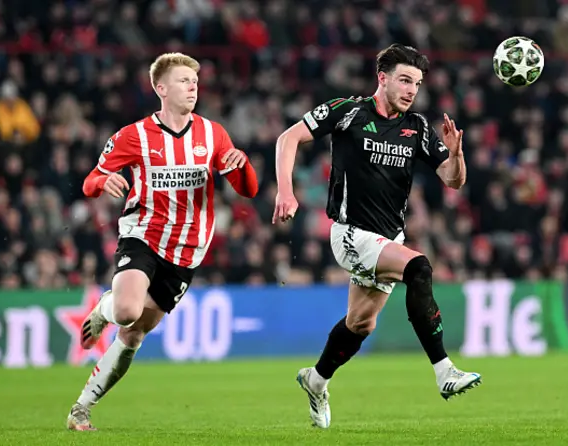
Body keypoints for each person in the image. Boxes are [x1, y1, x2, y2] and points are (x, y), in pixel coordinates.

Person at [273, 44, 481, 429]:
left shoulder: (416, 127)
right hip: (351, 233)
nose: (411, 90)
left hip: (388, 238)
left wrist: (456, 155)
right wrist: (286, 190)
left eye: (416, 83)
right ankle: (444, 370)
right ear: (381, 78)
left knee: (360, 324)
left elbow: (452, 181)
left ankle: (316, 380)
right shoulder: (346, 111)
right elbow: (288, 139)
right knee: (419, 266)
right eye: (404, 80)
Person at [66, 52, 259, 431]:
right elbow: (91, 180)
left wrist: (242, 163)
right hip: (144, 235)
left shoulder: (212, 133)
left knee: (134, 334)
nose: (193, 87)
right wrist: (104, 182)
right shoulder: (133, 135)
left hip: (188, 251)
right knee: (125, 312)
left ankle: (81, 408)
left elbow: (247, 190)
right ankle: (105, 309)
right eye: (185, 80)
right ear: (161, 88)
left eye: (195, 81)